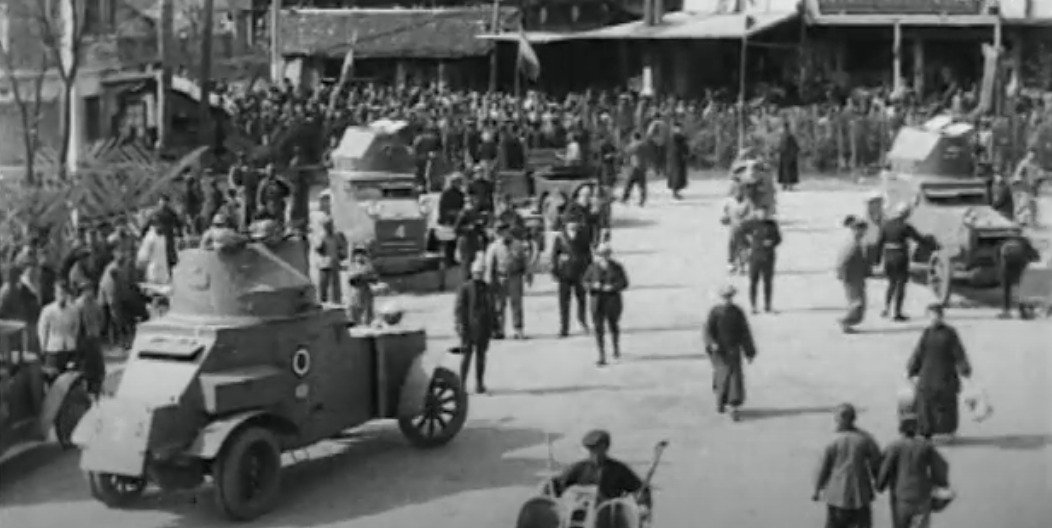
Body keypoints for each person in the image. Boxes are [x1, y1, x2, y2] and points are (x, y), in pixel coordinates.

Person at [906, 303, 972, 440]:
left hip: (945, 374)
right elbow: (919, 352)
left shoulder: (950, 333)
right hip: (927, 375)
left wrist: (964, 368)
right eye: (931, 316)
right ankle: (925, 431)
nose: (934, 319)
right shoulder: (926, 333)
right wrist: (912, 368)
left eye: (936, 316)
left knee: (946, 404)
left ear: (942, 316)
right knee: (924, 404)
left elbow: (958, 352)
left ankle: (947, 431)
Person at [813, 403, 882, 528]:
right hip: (861, 493)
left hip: (837, 495)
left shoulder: (832, 440)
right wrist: (879, 482)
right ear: (854, 418)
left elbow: (824, 468)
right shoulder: (865, 439)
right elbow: (876, 463)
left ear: (838, 419)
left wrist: (817, 489)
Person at [876, 412, 951, 528]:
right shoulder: (926, 446)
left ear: (900, 428)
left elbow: (885, 469)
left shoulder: (894, 447)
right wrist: (941, 483)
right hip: (922, 496)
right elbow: (941, 466)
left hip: (901, 497)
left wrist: (880, 485)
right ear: (917, 428)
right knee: (919, 525)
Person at [546, 430, 650, 509]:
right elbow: (557, 485)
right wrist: (549, 492)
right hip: (583, 514)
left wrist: (643, 506)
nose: (594, 453)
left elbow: (640, 489)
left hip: (608, 517)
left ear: (606, 447)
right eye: (591, 449)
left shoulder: (619, 469)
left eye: (598, 448)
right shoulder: (580, 467)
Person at [703, 284, 757, 420]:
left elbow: (745, 332)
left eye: (729, 297)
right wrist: (712, 343)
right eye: (725, 297)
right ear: (721, 298)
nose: (727, 300)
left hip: (733, 350)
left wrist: (749, 351)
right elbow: (708, 331)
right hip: (719, 351)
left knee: (735, 378)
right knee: (722, 376)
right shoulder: (715, 312)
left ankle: (734, 406)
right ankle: (721, 401)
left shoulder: (737, 312)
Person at [875, 203, 930, 321]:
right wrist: (930, 242)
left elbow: (879, 243)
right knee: (900, 285)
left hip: (888, 257)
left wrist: (877, 260)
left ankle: (886, 309)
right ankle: (897, 313)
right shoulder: (905, 226)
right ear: (906, 213)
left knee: (891, 284)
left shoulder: (886, 225)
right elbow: (919, 239)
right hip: (900, 257)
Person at [582, 243, 629, 366]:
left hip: (612, 301)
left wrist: (612, 287)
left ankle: (615, 348)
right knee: (598, 329)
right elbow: (585, 281)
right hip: (597, 301)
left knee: (613, 325)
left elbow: (624, 282)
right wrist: (592, 286)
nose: (604, 257)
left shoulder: (617, 267)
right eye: (601, 255)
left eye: (606, 254)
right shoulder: (592, 267)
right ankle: (601, 355)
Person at [484, 222, 532, 340]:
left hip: (515, 277)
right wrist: (488, 280)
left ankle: (518, 329)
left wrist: (528, 275)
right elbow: (489, 264)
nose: (502, 235)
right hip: (500, 277)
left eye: (504, 232)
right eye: (500, 233)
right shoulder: (494, 246)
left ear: (508, 231)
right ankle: (499, 330)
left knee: (516, 304)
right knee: (499, 305)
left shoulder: (518, 244)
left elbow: (524, 261)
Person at [455, 258, 494, 394]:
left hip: (483, 328)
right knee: (466, 357)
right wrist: (460, 325)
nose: (479, 275)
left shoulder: (487, 288)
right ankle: (461, 384)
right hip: (468, 328)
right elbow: (460, 309)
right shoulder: (465, 288)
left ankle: (479, 384)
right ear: (472, 273)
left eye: (481, 273)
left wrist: (493, 326)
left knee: (481, 357)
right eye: (477, 273)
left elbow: (491, 308)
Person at [551, 218, 591, 337]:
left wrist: (590, 273)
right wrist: (555, 271)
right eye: (571, 222)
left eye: (575, 221)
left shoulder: (583, 237)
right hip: (565, 274)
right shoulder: (560, 238)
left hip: (580, 273)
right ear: (566, 224)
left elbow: (589, 256)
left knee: (582, 300)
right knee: (564, 302)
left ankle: (582, 321)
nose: (574, 224)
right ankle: (564, 327)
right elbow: (554, 256)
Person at [37, 281, 82, 374]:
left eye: (64, 293)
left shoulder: (73, 310)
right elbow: (42, 331)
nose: (62, 296)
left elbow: (76, 327)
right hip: (53, 351)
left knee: (70, 377)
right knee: (53, 378)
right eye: (60, 293)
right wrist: (43, 349)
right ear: (55, 294)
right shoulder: (47, 310)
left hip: (69, 350)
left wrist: (73, 341)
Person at [837, 216, 871, 333]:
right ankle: (846, 321)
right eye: (863, 230)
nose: (864, 233)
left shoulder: (855, 243)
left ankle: (848, 322)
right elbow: (845, 261)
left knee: (857, 301)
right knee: (858, 302)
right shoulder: (853, 244)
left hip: (855, 276)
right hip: (853, 277)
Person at [745, 207, 782, 314]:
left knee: (768, 283)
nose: (763, 215)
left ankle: (767, 305)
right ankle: (753, 306)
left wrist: (772, 243)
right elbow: (739, 232)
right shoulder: (751, 223)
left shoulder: (772, 224)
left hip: (768, 258)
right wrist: (748, 245)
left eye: (765, 213)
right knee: (753, 282)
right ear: (756, 213)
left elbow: (779, 238)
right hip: (755, 258)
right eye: (761, 213)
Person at [998, 234, 1041, 319]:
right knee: (1021, 291)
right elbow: (1035, 257)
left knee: (1007, 291)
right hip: (1020, 270)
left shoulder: (1006, 243)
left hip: (1006, 270)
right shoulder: (1024, 243)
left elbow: (998, 256)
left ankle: (1006, 311)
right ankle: (1023, 311)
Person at [75, 283, 106, 396]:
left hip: (94, 336)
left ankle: (97, 386)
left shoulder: (96, 304)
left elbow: (101, 319)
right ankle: (87, 387)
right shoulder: (78, 304)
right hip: (84, 338)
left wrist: (98, 329)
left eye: (90, 289)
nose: (89, 292)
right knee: (86, 364)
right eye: (86, 290)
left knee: (97, 364)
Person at [314, 216, 348, 304]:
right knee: (323, 282)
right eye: (327, 225)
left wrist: (342, 254)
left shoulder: (336, 236)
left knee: (335, 282)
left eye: (330, 225)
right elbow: (317, 248)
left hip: (334, 261)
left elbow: (342, 248)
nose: (329, 227)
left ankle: (336, 299)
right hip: (324, 262)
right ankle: (322, 300)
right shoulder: (321, 236)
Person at [721, 186, 754, 274]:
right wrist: (725, 218)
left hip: (745, 228)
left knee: (744, 246)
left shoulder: (748, 201)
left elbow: (752, 214)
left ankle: (742, 265)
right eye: (736, 191)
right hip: (734, 228)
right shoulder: (729, 201)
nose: (738, 193)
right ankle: (731, 263)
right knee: (733, 245)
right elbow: (726, 213)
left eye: (741, 191)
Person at [346, 247, 378, 326]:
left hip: (366, 293)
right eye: (357, 255)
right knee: (353, 313)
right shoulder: (352, 267)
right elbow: (351, 280)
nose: (360, 257)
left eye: (362, 254)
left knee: (367, 316)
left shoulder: (369, 266)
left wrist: (365, 278)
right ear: (354, 256)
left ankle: (367, 324)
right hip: (355, 293)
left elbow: (375, 279)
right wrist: (359, 277)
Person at [621, 131, 648, 206]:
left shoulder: (633, 145)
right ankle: (642, 200)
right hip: (643, 167)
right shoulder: (645, 145)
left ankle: (624, 198)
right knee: (642, 185)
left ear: (634, 137)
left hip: (634, 166)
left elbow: (627, 152)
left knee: (629, 183)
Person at [666, 123, 688, 199]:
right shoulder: (674, 137)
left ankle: (676, 191)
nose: (679, 129)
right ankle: (675, 192)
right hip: (675, 157)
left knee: (679, 174)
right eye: (677, 128)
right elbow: (678, 147)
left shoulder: (679, 136)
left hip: (678, 157)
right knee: (676, 174)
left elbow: (685, 146)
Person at [777, 120, 801, 191]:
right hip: (788, 156)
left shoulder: (785, 136)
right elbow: (796, 147)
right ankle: (788, 186)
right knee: (788, 171)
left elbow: (781, 147)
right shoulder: (789, 135)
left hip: (786, 156)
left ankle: (786, 185)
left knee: (786, 170)